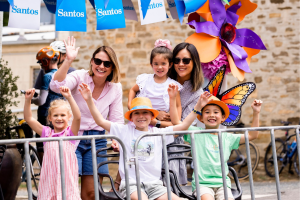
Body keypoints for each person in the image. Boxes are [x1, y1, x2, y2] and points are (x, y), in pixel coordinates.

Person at [78, 82, 212, 200]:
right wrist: (89, 100)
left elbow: (182, 126)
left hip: (155, 184)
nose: (141, 116)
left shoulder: (158, 133)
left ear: (151, 116)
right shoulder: (124, 130)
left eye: (145, 113)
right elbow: (100, 121)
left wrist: (198, 106)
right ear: (131, 117)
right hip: (132, 184)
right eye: (136, 113)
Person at [49, 36, 123, 200]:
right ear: (91, 61)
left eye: (107, 64)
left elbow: (117, 120)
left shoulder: (115, 88)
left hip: (97, 140)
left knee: (91, 193)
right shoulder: (79, 76)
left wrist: (116, 139)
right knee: (68, 190)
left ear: (112, 68)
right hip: (73, 137)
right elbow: (55, 86)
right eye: (98, 61)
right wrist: (68, 60)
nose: (101, 66)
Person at [169, 85, 263, 200]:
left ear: (223, 117)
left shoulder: (228, 137)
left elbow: (252, 135)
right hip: (202, 184)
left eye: (216, 112)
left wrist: (256, 113)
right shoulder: (195, 133)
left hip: (223, 184)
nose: (212, 115)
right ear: (201, 118)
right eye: (207, 112)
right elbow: (176, 122)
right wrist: (173, 99)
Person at [24, 86, 81, 200]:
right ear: (50, 118)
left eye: (62, 115)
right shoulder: (46, 133)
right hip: (49, 180)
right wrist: (28, 100)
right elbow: (29, 118)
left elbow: (78, 117)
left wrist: (69, 97)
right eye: (55, 115)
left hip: (67, 179)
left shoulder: (70, 133)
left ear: (69, 117)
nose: (59, 118)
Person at [166, 42, 205, 185]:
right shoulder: (162, 79)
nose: (180, 64)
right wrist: (155, 114)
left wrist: (156, 123)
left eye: (186, 60)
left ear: (194, 62)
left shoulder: (197, 94)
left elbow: (181, 128)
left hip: (172, 145)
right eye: (176, 60)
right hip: (148, 137)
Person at [128, 39, 182, 128]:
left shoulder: (172, 85)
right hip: (141, 121)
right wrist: (130, 105)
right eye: (156, 64)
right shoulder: (145, 80)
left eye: (163, 63)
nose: (159, 67)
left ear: (170, 64)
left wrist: (177, 119)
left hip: (160, 126)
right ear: (151, 64)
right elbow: (133, 90)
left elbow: (178, 105)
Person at [32, 45, 69, 161]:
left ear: (45, 61)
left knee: (42, 147)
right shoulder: (64, 76)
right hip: (61, 114)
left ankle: (45, 169)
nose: (41, 66)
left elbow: (41, 100)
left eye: (41, 63)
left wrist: (31, 99)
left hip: (45, 116)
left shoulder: (47, 76)